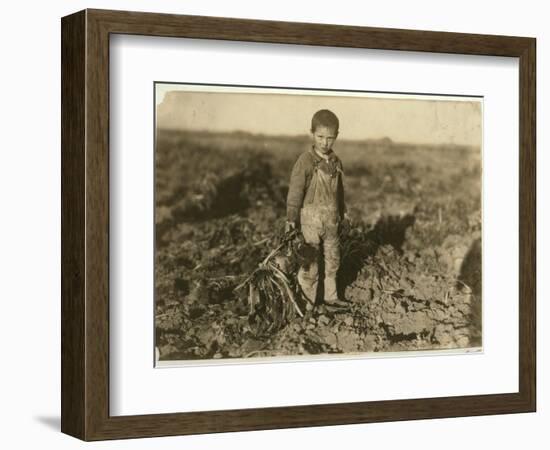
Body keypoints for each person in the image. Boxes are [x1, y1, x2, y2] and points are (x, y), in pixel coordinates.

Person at [286, 109, 349, 309]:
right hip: (310, 221)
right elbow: (295, 192)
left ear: (336, 136)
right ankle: (307, 304)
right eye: (320, 137)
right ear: (312, 133)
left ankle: (331, 298)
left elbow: (340, 192)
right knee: (310, 264)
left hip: (331, 220)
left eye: (330, 138)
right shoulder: (305, 161)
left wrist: (343, 214)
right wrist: (291, 218)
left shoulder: (336, 162)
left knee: (333, 260)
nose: (325, 142)